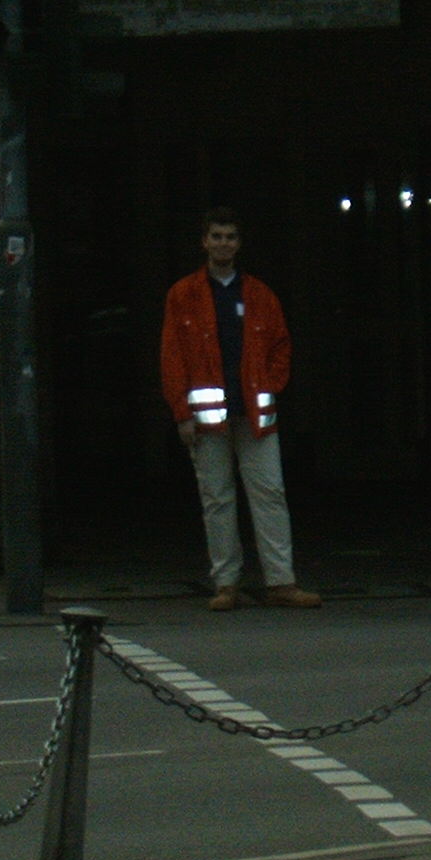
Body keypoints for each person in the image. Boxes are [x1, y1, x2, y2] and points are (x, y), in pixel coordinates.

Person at [159, 208, 319, 610]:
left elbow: (281, 345)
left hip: (254, 415)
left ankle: (280, 581)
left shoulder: (260, 295)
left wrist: (270, 385)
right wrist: (181, 413)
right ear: (205, 242)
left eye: (229, 236)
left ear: (239, 243)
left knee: (269, 494)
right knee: (218, 499)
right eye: (217, 236)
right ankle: (226, 584)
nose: (223, 243)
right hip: (208, 419)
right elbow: (172, 357)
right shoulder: (183, 295)